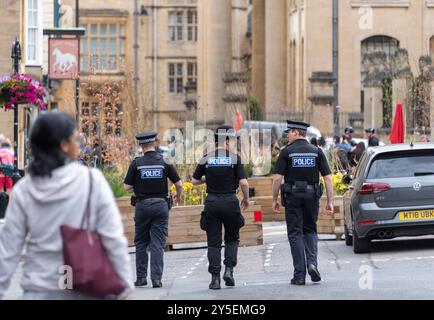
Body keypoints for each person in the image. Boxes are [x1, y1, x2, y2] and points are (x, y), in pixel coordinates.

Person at [0, 113, 134, 300]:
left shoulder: (25, 189)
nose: (77, 143)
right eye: (75, 138)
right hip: (85, 285)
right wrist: (125, 288)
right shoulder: (91, 180)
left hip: (39, 288)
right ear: (63, 145)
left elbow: (8, 248)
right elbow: (112, 237)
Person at [272, 120, 334, 286]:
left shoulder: (287, 152)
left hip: (292, 196)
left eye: (289, 133)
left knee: (295, 233)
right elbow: (327, 178)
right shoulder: (316, 151)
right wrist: (330, 201)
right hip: (312, 195)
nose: (287, 137)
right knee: (310, 230)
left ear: (296, 132)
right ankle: (312, 263)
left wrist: (274, 199)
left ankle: (299, 275)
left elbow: (277, 178)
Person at [192, 125, 250, 290]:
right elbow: (244, 182)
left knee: (214, 242)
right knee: (232, 238)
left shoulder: (206, 157)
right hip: (230, 201)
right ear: (227, 140)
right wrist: (246, 198)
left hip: (212, 202)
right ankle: (229, 270)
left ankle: (215, 279)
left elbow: (194, 181)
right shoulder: (234, 158)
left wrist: (206, 179)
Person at [124, 132, 183, 289]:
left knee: (141, 242)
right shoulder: (165, 160)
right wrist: (178, 196)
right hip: (160, 205)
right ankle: (156, 279)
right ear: (155, 143)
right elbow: (179, 184)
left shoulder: (136, 163)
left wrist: (138, 182)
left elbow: (127, 187)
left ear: (141, 146)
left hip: (142, 206)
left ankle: (141, 278)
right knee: (157, 243)